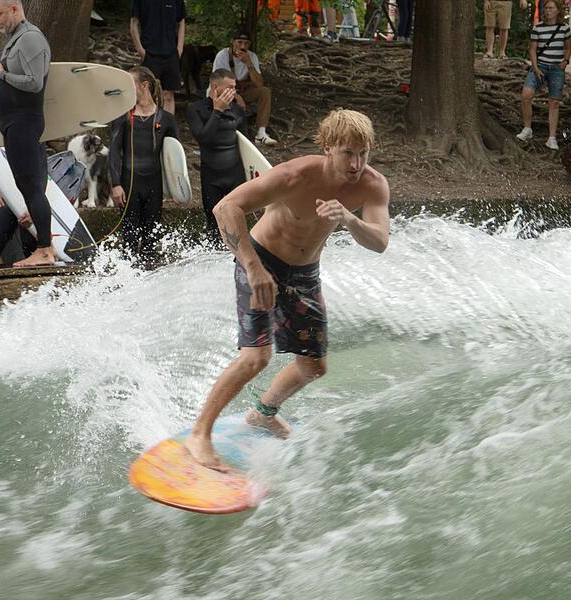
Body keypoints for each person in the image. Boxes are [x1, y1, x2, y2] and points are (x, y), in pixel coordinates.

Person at [185, 109, 390, 472]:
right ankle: (200, 434)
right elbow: (226, 208)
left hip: (305, 274)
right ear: (328, 148)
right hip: (261, 262)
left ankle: (263, 414)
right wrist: (253, 269)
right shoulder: (294, 176)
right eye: (347, 153)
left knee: (313, 367)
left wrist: (349, 219)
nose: (356, 164)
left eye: (363, 154)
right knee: (256, 358)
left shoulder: (372, 185)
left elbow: (380, 242)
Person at [0, 0, 53, 268]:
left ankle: (45, 249)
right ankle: (45, 248)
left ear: (14, 9)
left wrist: (2, 75)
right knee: (27, 185)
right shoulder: (17, 39)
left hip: (24, 121)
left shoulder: (31, 39)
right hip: (14, 123)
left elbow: (35, 83)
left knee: (31, 186)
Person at [109, 66, 179, 265]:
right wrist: (115, 184)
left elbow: (174, 158)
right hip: (129, 182)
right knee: (129, 235)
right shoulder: (123, 116)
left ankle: (150, 272)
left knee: (151, 235)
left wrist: (177, 188)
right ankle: (128, 275)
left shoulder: (166, 119)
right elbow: (114, 151)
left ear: (144, 85)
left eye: (130, 83)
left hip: (153, 183)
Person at [187, 68, 248, 247]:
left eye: (235, 87)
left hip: (235, 174)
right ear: (215, 88)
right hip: (211, 176)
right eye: (230, 87)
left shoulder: (238, 110)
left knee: (237, 222)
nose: (234, 91)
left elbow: (246, 144)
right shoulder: (196, 109)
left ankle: (238, 257)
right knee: (214, 224)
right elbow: (203, 139)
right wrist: (217, 111)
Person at [516, 0, 570, 150]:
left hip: (556, 68)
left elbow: (568, 47)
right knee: (526, 95)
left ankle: (551, 137)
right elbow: (532, 49)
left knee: (554, 102)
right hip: (540, 65)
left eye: (551, 8)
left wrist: (566, 61)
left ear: (558, 10)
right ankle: (527, 128)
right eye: (546, 8)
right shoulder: (538, 28)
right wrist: (535, 67)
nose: (548, 11)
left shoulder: (564, 28)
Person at [212, 29, 278, 146]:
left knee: (264, 92)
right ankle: (225, 133)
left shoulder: (252, 56)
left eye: (246, 43)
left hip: (243, 90)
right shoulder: (222, 56)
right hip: (224, 91)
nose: (243, 46)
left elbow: (259, 84)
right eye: (240, 42)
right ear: (233, 42)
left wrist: (248, 63)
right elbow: (218, 82)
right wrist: (236, 96)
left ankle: (261, 133)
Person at [129, 0, 185, 115]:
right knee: (149, 94)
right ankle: (150, 125)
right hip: (149, 53)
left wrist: (179, 48)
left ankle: (168, 125)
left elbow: (181, 21)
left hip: (171, 53)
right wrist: (140, 50)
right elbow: (134, 23)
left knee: (168, 95)